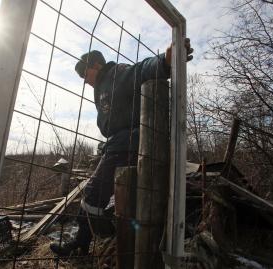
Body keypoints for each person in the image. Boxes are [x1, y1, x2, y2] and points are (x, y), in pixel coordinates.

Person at [50, 39, 193, 257]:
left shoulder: (117, 74)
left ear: (96, 65)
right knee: (100, 194)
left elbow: (141, 69)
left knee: (93, 193)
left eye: (85, 74)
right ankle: (83, 241)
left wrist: (165, 61)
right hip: (117, 144)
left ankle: (98, 235)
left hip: (130, 143)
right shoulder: (101, 87)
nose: (84, 81)